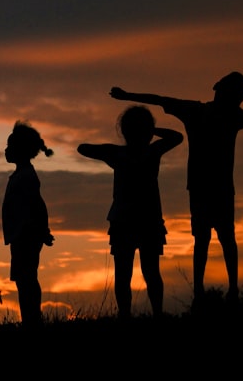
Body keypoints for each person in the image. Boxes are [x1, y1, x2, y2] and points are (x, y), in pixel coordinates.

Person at [110, 72, 243, 304]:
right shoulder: (200, 111)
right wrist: (128, 96)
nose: (236, 99)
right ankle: (204, 291)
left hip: (216, 188)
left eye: (239, 95)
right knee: (208, 239)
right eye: (235, 93)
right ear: (219, 89)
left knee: (220, 238)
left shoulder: (225, 115)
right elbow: (161, 99)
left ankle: (226, 290)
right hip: (204, 188)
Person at [78, 106, 183, 319]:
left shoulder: (119, 154)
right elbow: (177, 136)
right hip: (146, 220)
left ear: (124, 131)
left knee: (126, 273)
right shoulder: (151, 151)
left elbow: (83, 148)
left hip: (126, 220)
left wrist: (109, 151)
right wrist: (153, 131)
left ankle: (126, 315)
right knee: (150, 271)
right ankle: (156, 314)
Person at [1, 120, 55, 329]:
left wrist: (42, 230)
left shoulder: (26, 177)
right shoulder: (22, 175)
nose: (6, 150)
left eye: (10, 146)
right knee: (25, 279)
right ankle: (30, 321)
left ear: (20, 150)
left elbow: (37, 205)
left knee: (27, 279)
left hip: (25, 234)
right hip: (22, 234)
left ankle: (32, 322)